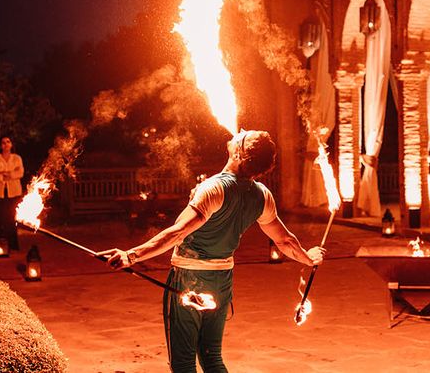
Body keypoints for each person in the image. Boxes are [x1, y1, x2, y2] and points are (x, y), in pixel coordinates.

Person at [100, 130, 325, 373]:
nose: (239, 132)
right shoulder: (262, 195)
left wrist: (130, 256)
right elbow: (285, 241)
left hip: (189, 279)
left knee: (184, 363)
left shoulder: (214, 189)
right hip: (222, 281)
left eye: (243, 136)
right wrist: (308, 258)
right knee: (212, 358)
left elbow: (178, 232)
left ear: (239, 153)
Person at [0, 136, 24, 252]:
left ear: (11, 144)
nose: (6, 144)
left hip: (13, 192)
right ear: (0, 146)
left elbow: (20, 173)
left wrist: (6, 174)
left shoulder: (17, 158)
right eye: (3, 142)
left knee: (11, 218)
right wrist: (8, 174)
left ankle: (13, 244)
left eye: (8, 142)